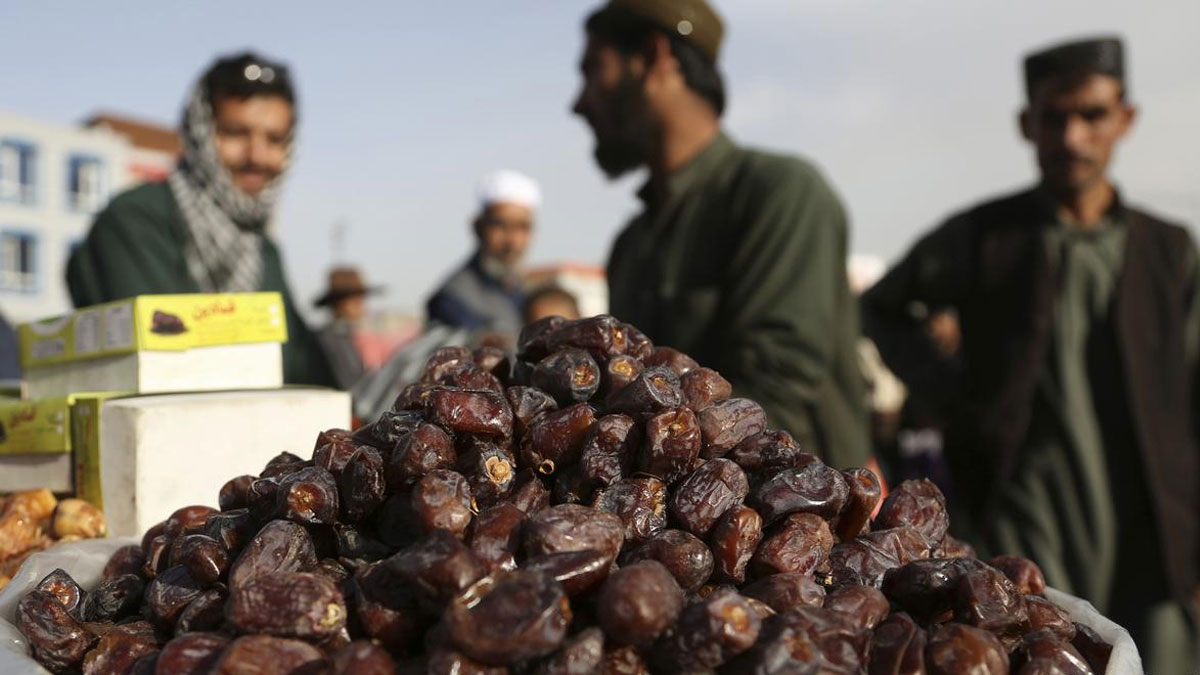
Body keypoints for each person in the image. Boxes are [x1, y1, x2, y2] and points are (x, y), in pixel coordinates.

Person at [861, 36, 1199, 670]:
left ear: (1125, 119)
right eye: (1053, 117)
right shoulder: (986, 237)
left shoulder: (1170, 251)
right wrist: (949, 395)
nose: (1072, 136)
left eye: (1092, 115)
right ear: (1027, 124)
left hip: (1155, 531)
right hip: (1023, 520)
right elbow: (880, 307)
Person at [572, 0, 869, 468]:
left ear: (653, 58)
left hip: (790, 526)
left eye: (594, 72)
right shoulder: (632, 244)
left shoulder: (779, 193)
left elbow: (773, 393)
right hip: (672, 528)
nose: (580, 103)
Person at [66, 51, 333, 386]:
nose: (257, 156)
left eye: (275, 139)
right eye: (236, 133)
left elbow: (305, 373)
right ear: (200, 131)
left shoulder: (264, 251)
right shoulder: (134, 220)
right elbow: (168, 366)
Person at [425, 170, 541, 345]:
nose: (513, 241)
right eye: (501, 226)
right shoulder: (453, 298)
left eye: (522, 227)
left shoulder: (525, 289)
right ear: (478, 228)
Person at [313, 266, 382, 390]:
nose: (361, 305)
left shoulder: (340, 335)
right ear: (339, 303)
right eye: (355, 300)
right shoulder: (333, 338)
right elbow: (353, 385)